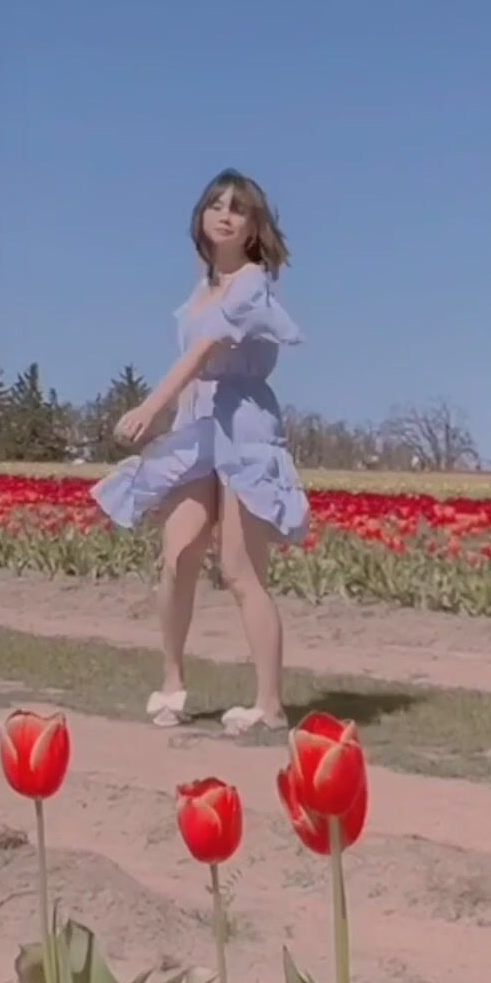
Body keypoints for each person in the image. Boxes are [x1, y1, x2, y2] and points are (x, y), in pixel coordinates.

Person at [91, 168, 309, 733]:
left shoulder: (252, 283)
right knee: (178, 554)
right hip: (197, 426)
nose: (224, 215)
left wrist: (149, 408)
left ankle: (269, 704)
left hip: (243, 425)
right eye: (215, 205)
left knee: (240, 569)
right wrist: (175, 416)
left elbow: (203, 353)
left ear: (254, 226)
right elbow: (195, 356)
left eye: (237, 208)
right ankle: (171, 681)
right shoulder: (202, 286)